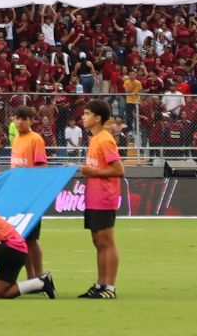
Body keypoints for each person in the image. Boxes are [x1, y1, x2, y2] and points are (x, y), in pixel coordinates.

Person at [77, 98, 123, 299]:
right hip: (94, 197)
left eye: (87, 114)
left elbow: (118, 169)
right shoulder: (94, 139)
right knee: (98, 241)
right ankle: (100, 283)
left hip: (104, 196)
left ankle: (109, 287)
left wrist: (91, 171)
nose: (83, 117)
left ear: (97, 118)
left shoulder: (105, 139)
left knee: (106, 241)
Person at [9, 106, 48, 279]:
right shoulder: (16, 139)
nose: (20, 122)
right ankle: (31, 277)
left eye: (24, 119)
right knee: (21, 238)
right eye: (17, 118)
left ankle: (40, 277)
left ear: (32, 121)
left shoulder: (36, 139)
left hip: (31, 196)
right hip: (17, 195)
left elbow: (42, 166)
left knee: (31, 239)